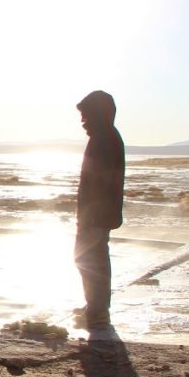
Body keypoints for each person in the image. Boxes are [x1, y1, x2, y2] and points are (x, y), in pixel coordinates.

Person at [74, 90, 125, 328]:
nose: (82, 121)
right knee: (92, 258)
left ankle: (97, 310)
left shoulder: (103, 139)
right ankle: (96, 306)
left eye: (85, 116)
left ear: (97, 114)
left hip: (96, 215)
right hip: (98, 214)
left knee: (90, 259)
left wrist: (89, 216)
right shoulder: (105, 136)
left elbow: (99, 182)